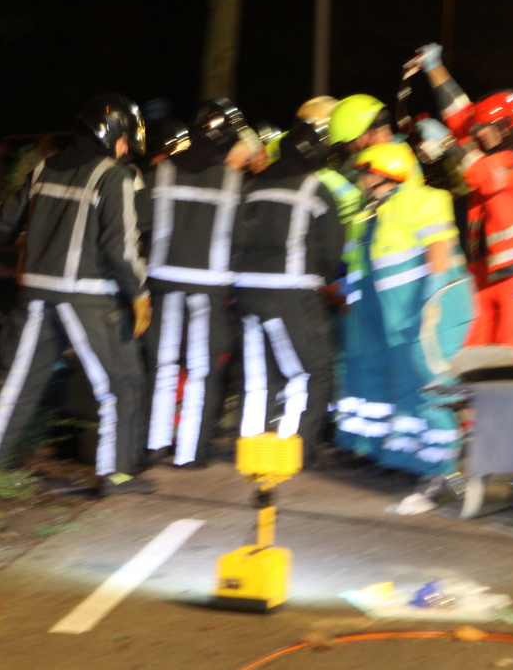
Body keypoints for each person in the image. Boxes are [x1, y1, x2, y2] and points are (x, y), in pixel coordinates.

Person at [0, 93, 153, 498]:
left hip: (35, 294)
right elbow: (120, 248)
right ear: (113, 136)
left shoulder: (42, 168)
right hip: (88, 297)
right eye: (125, 142)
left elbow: (3, 224)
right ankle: (116, 476)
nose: (125, 151)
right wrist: (139, 293)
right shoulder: (113, 177)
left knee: (13, 385)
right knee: (121, 383)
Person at [333, 142, 475, 477]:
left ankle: (441, 465)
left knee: (426, 383)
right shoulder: (370, 215)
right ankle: (406, 457)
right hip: (393, 317)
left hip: (427, 311)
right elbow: (360, 267)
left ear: (390, 174)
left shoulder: (425, 200)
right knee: (400, 383)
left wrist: (432, 300)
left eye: (369, 175)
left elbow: (438, 250)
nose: (364, 181)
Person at [410, 42, 513, 360]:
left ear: (506, 126)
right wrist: (433, 67)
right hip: (484, 268)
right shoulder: (487, 152)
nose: (478, 136)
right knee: (473, 350)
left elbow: (485, 176)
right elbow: (461, 115)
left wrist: (447, 143)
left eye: (485, 130)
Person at [138, 98, 254, 468]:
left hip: (163, 282)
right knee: (203, 370)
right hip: (210, 288)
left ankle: (155, 443)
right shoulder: (233, 182)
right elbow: (240, 239)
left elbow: (138, 224)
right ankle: (190, 452)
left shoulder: (160, 172)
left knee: (162, 365)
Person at [233, 119, 344, 465]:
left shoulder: (254, 185)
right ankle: (294, 449)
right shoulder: (315, 187)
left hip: (247, 292)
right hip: (290, 293)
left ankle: (251, 444)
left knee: (259, 375)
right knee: (311, 371)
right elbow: (331, 248)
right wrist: (320, 279)